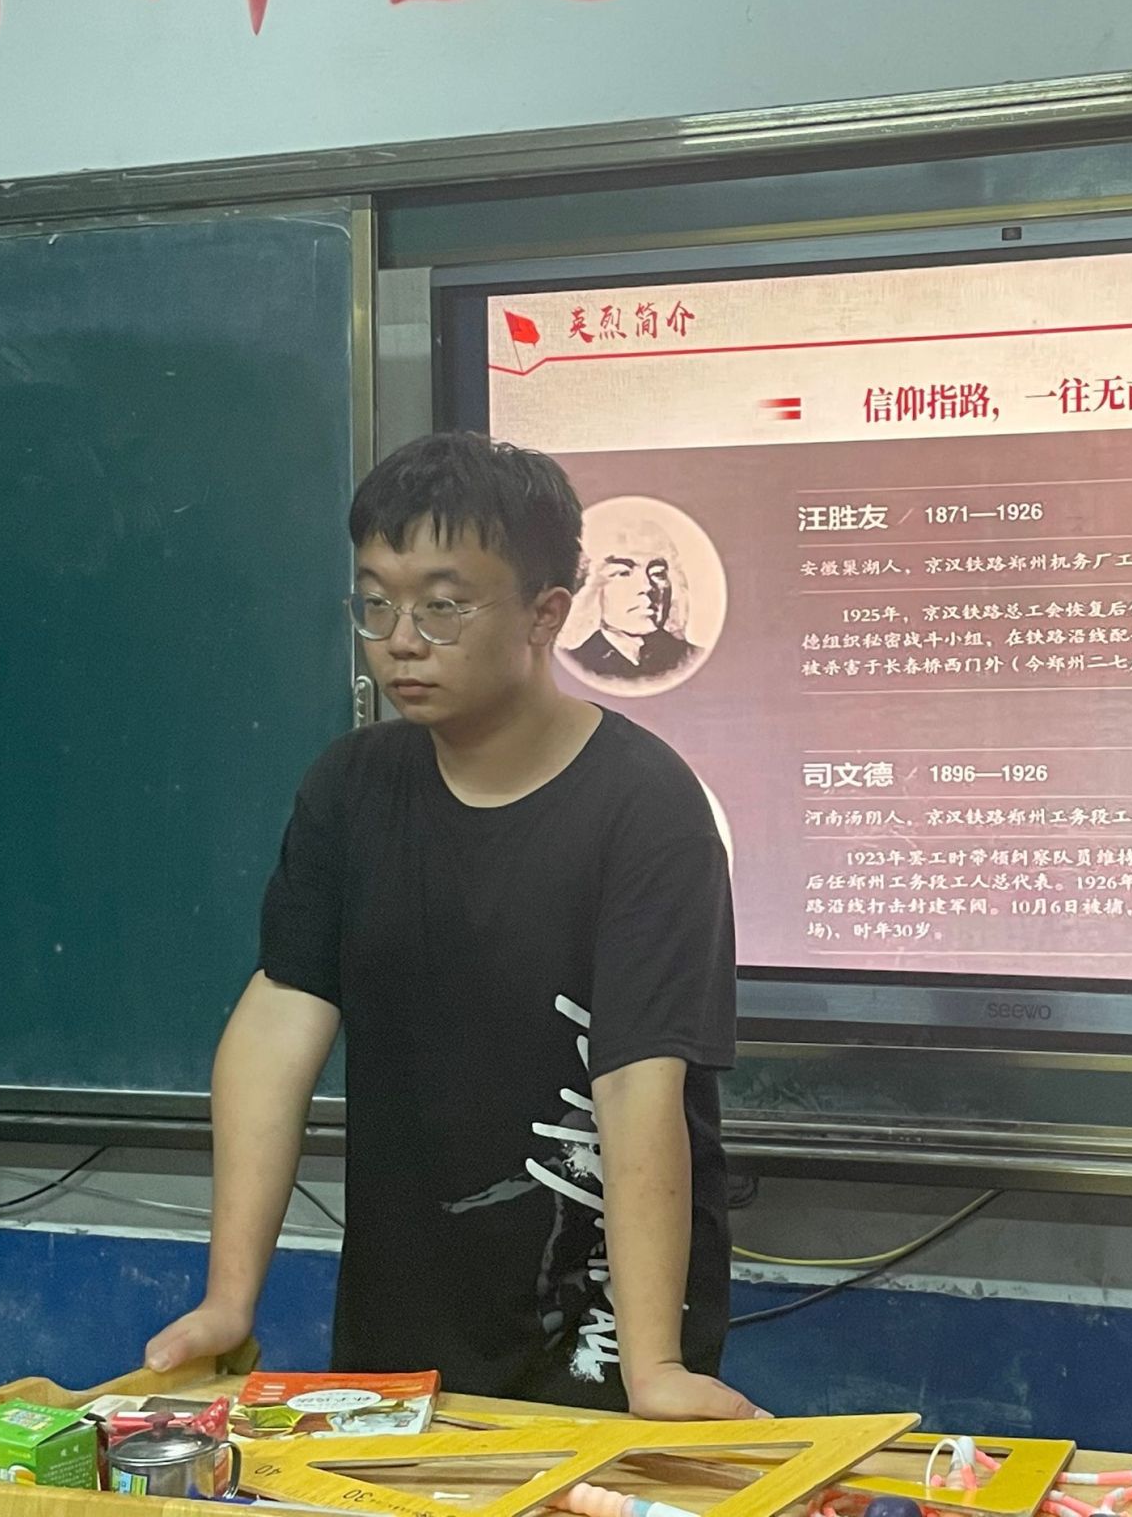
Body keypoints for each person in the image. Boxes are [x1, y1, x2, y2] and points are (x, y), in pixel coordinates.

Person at [144, 431, 758, 1420]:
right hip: (402, 1311)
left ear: (546, 614)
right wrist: (229, 1299)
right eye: (375, 603)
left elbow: (639, 1082)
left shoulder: (646, 808)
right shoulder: (351, 788)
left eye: (441, 607)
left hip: (597, 1321)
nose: (400, 639)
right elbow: (279, 1020)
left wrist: (654, 1368)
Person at [565, 518, 704, 683]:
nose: (647, 586)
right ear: (592, 586)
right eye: (623, 573)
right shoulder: (578, 663)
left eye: (658, 573)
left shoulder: (690, 658)